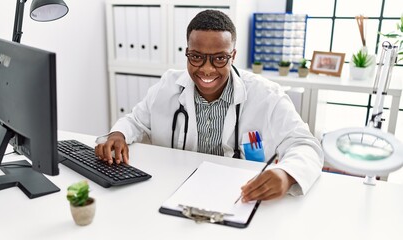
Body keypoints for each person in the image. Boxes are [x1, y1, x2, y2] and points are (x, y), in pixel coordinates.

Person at [95, 10, 323, 202]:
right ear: (186, 53)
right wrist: (118, 134)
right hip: (173, 191)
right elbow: (135, 121)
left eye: (219, 58)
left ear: (232, 56)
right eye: (196, 56)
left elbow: (306, 145)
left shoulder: (266, 95)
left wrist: (286, 174)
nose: (206, 69)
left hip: (238, 196)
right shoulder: (168, 86)